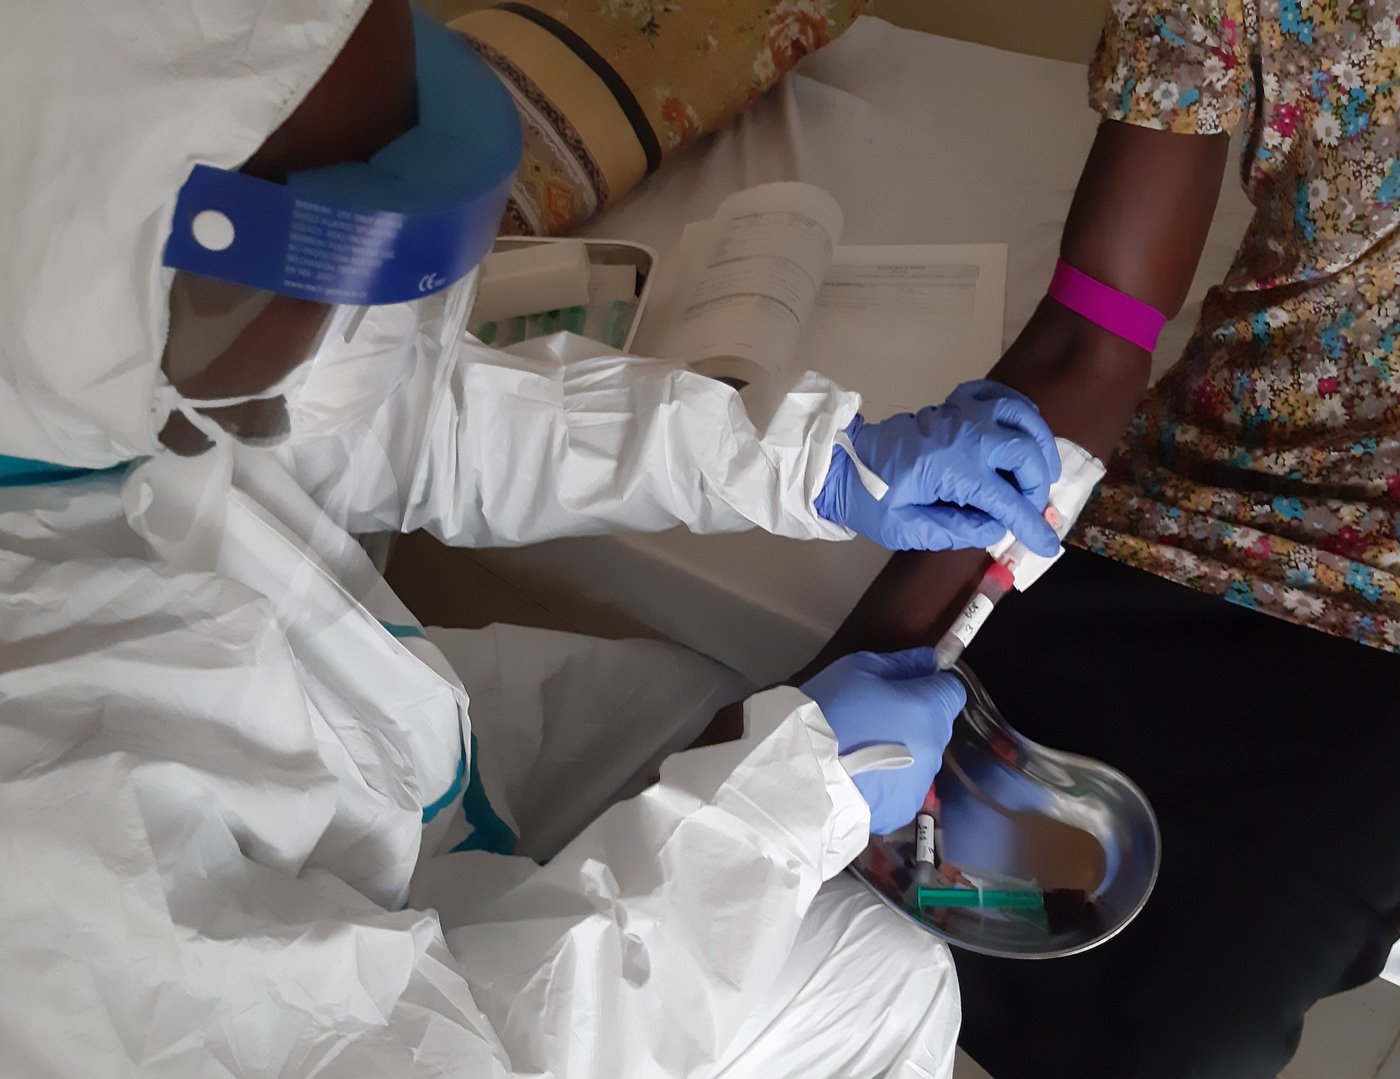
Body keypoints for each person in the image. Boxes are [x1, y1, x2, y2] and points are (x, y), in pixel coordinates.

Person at [0, 1, 1063, 1075]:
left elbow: (402, 418)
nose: (354, 327)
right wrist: (785, 806)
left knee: (707, 704)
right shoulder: (52, 835)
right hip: (373, 1013)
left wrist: (804, 461)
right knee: (878, 981)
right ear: (123, 262)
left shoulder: (85, 343)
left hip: (370, 756)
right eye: (330, 264)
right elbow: (457, 1053)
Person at [792, 2, 1400, 1077]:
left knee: (1158, 1043)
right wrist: (810, 701)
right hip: (1180, 520)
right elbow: (1094, 334)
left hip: (1376, 647)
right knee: (797, 900)